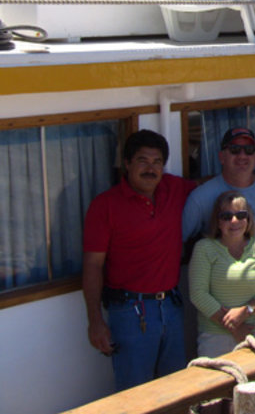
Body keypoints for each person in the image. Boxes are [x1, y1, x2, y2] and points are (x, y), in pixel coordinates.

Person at [82, 129, 196, 391]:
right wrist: (95, 320)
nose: (151, 168)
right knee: (135, 393)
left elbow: (212, 186)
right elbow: (93, 265)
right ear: (127, 164)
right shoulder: (105, 206)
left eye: (157, 162)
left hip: (171, 306)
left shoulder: (174, 188)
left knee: (177, 389)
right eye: (143, 161)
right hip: (129, 312)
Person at [189, 191, 255, 357]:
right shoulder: (204, 248)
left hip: (253, 335)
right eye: (226, 216)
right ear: (217, 221)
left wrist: (247, 311)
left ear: (248, 219)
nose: (234, 221)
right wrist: (235, 327)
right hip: (214, 340)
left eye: (241, 215)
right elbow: (198, 294)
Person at [183, 127, 255, 263]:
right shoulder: (200, 197)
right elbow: (178, 242)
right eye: (235, 150)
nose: (242, 156)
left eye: (249, 150)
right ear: (221, 157)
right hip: (224, 281)